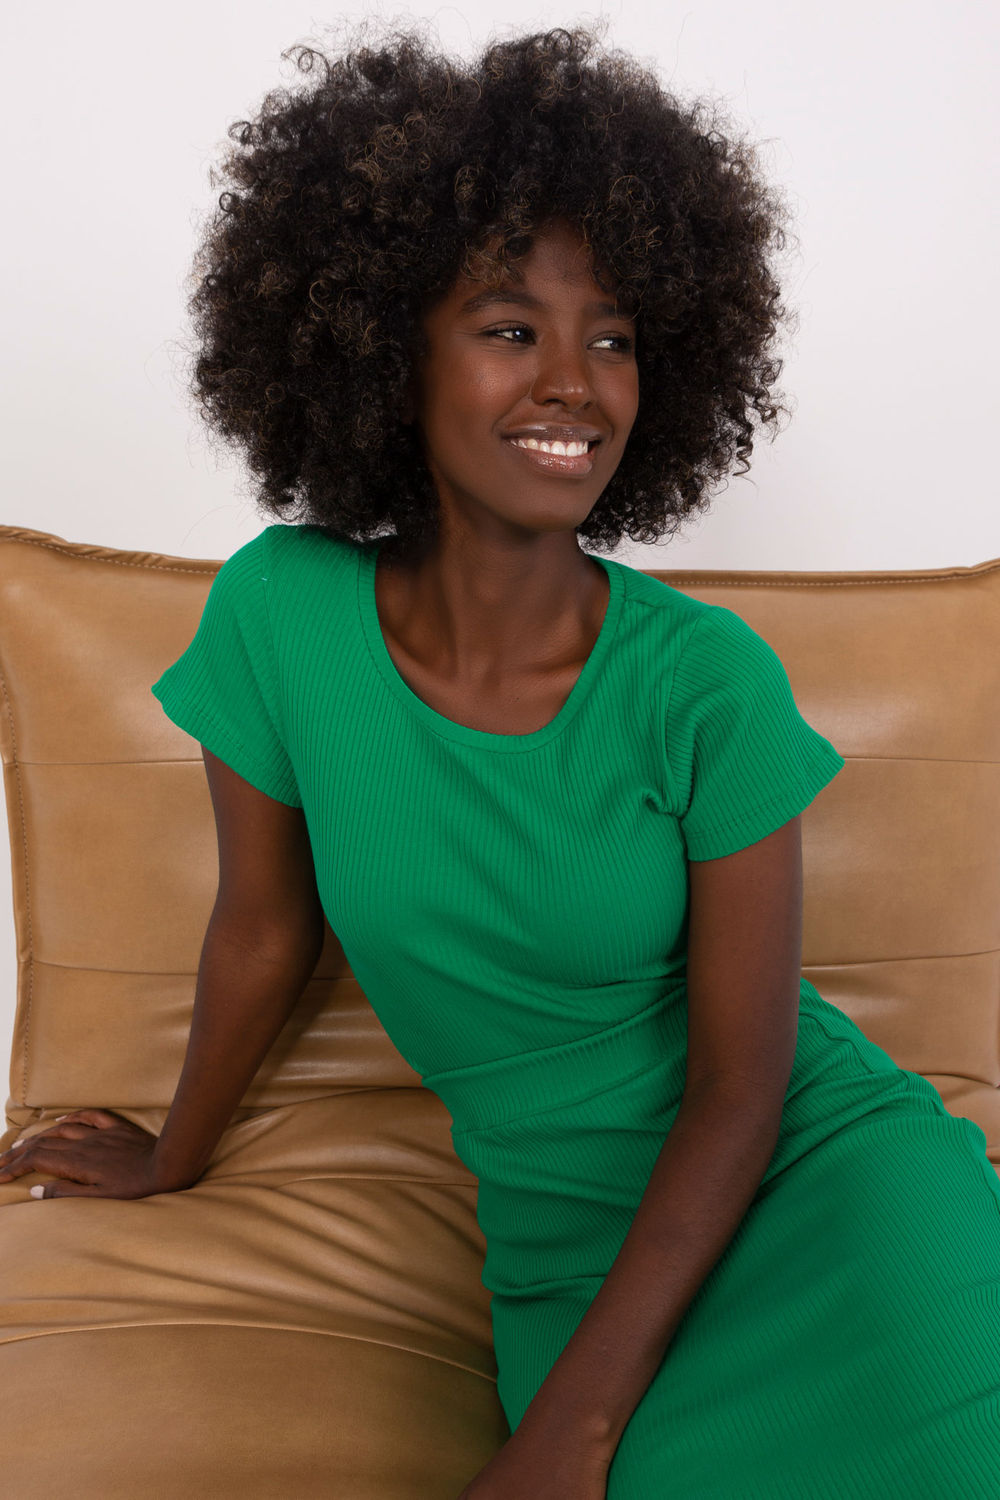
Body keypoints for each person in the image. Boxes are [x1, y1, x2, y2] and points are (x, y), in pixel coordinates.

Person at [2, 21, 998, 1498]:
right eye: (510, 328)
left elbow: (741, 1092)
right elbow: (265, 927)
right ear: (385, 347)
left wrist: (570, 1434)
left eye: (614, 337)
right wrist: (175, 1155)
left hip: (823, 1191)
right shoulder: (281, 614)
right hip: (567, 1244)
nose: (575, 384)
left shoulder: (704, 680)